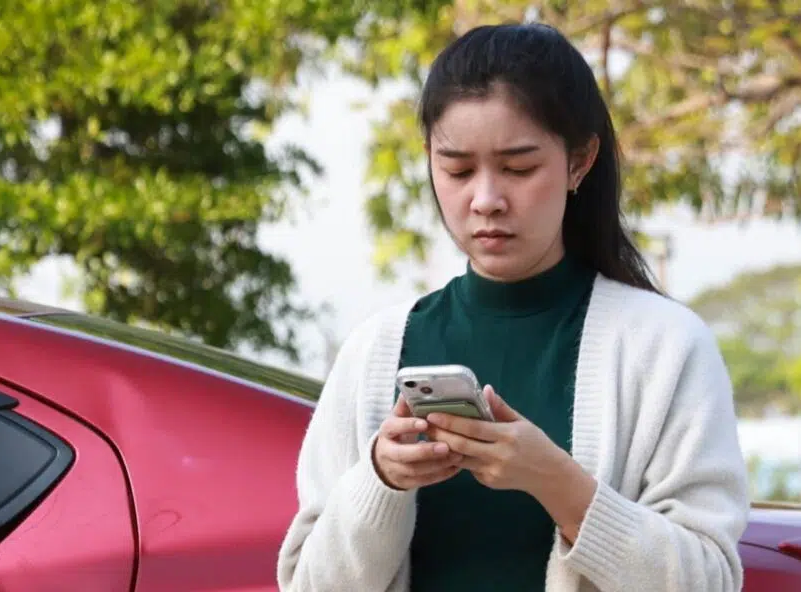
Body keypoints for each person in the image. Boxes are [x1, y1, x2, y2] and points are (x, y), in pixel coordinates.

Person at [277, 22, 750, 592]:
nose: (485, 200)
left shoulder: (666, 347)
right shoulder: (375, 350)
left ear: (580, 161)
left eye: (519, 168)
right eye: (456, 169)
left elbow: (712, 579)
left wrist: (558, 483)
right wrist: (381, 480)